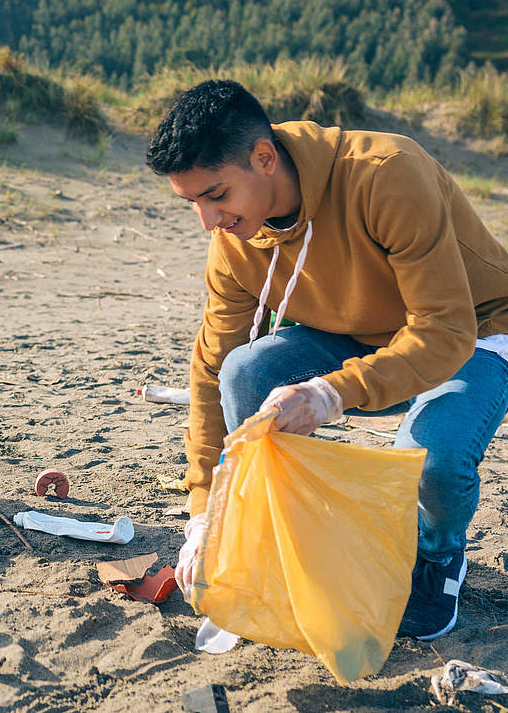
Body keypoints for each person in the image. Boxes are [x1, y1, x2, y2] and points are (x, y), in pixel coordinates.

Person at [146, 79, 508, 640]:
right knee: (246, 369)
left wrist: (330, 393)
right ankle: (274, 534)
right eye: (191, 202)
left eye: (216, 195)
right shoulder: (236, 239)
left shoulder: (388, 174)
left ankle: (436, 558)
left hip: (475, 332)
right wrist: (203, 514)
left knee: (429, 463)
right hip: (352, 336)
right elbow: (213, 369)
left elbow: (443, 330)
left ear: (264, 158)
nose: (207, 220)